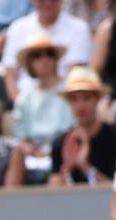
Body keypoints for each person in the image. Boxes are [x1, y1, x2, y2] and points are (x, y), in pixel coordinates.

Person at [13, 32, 76, 181]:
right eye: (37, 55)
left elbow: (76, 129)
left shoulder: (69, 92)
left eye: (49, 54)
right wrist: (30, 150)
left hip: (64, 155)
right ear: (30, 63)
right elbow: (20, 138)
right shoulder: (24, 98)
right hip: (32, 159)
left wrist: (54, 152)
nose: (44, 60)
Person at [51, 66, 116, 186]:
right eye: (74, 99)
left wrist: (85, 166)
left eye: (86, 98)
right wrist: (67, 169)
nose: (80, 106)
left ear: (97, 99)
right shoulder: (60, 143)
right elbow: (52, 192)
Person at [2, 0, 91, 101]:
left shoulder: (79, 28)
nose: (48, 3)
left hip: (64, 101)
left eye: (50, 54)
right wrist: (22, 105)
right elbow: (10, 75)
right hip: (25, 98)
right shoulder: (17, 28)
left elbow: (76, 76)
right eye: (36, 55)